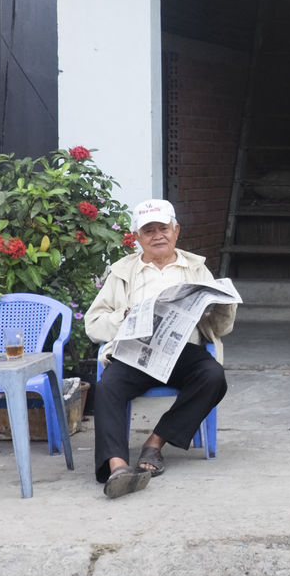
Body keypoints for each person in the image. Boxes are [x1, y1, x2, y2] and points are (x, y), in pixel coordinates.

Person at [84, 199, 235, 499]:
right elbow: (93, 324)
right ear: (137, 238)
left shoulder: (195, 269)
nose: (157, 236)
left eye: (163, 228)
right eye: (149, 231)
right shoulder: (122, 272)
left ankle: (155, 443)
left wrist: (222, 305)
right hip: (136, 354)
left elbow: (220, 328)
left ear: (176, 230)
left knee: (213, 376)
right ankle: (117, 467)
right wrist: (125, 317)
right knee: (108, 387)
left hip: (181, 353)